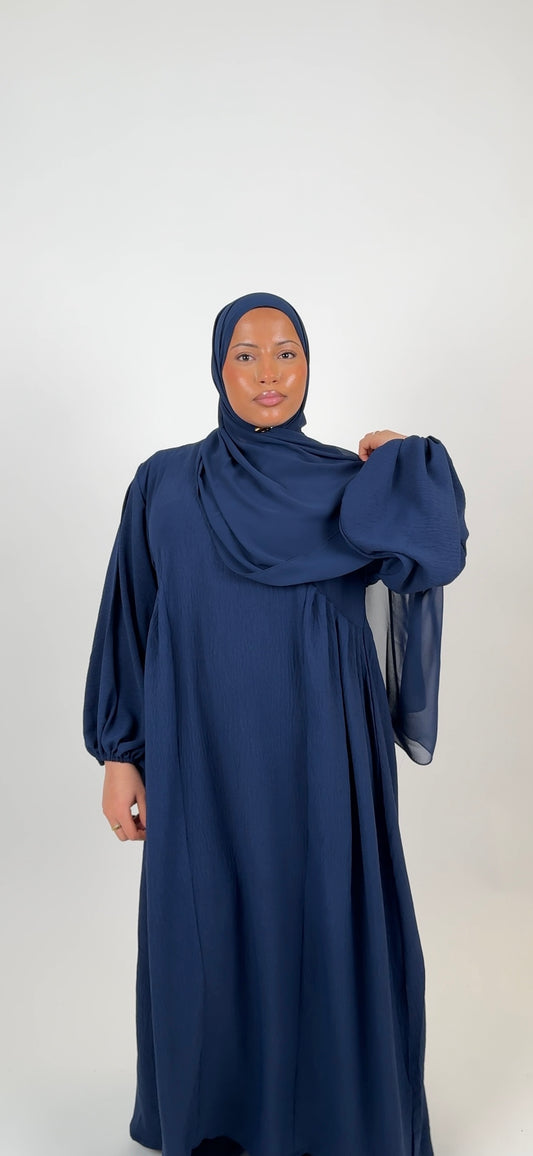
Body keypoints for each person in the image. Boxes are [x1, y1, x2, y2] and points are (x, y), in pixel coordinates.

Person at [83, 291, 469, 1156]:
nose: (268, 374)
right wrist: (119, 754)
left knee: (324, 915)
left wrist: (403, 463)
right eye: (246, 355)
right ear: (217, 367)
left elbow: (431, 554)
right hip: (204, 753)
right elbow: (131, 615)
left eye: (286, 352)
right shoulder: (164, 482)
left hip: (325, 752)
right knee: (209, 923)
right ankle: (221, 1116)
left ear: (307, 365)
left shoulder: (349, 483)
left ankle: (337, 1118)